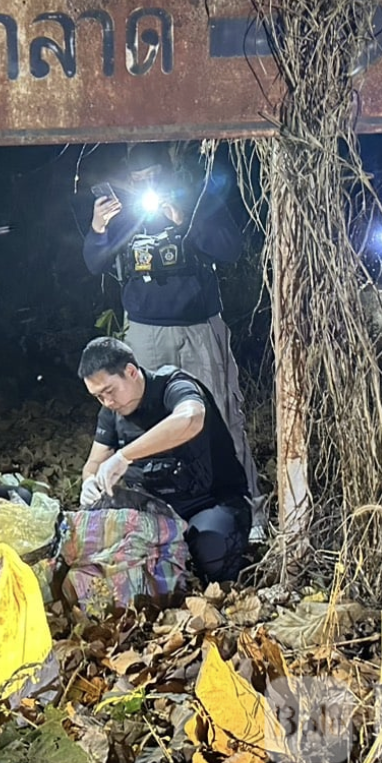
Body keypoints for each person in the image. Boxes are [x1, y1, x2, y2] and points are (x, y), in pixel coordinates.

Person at [83, 142, 263, 536]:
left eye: (152, 177)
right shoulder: (123, 211)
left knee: (220, 416)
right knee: (147, 423)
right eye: (138, 179)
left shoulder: (195, 199)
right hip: (144, 331)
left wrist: (184, 219)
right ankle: (165, 516)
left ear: (167, 172)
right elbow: (95, 261)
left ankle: (248, 512)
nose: (145, 185)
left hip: (198, 327)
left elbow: (231, 249)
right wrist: (98, 228)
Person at [77, 336, 251, 583]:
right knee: (95, 547)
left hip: (210, 502)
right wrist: (89, 481)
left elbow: (190, 418)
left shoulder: (173, 385)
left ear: (131, 372)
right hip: (153, 511)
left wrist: (125, 455)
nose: (107, 401)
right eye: (98, 396)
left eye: (109, 391)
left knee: (212, 554)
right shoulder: (111, 411)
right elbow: (94, 463)